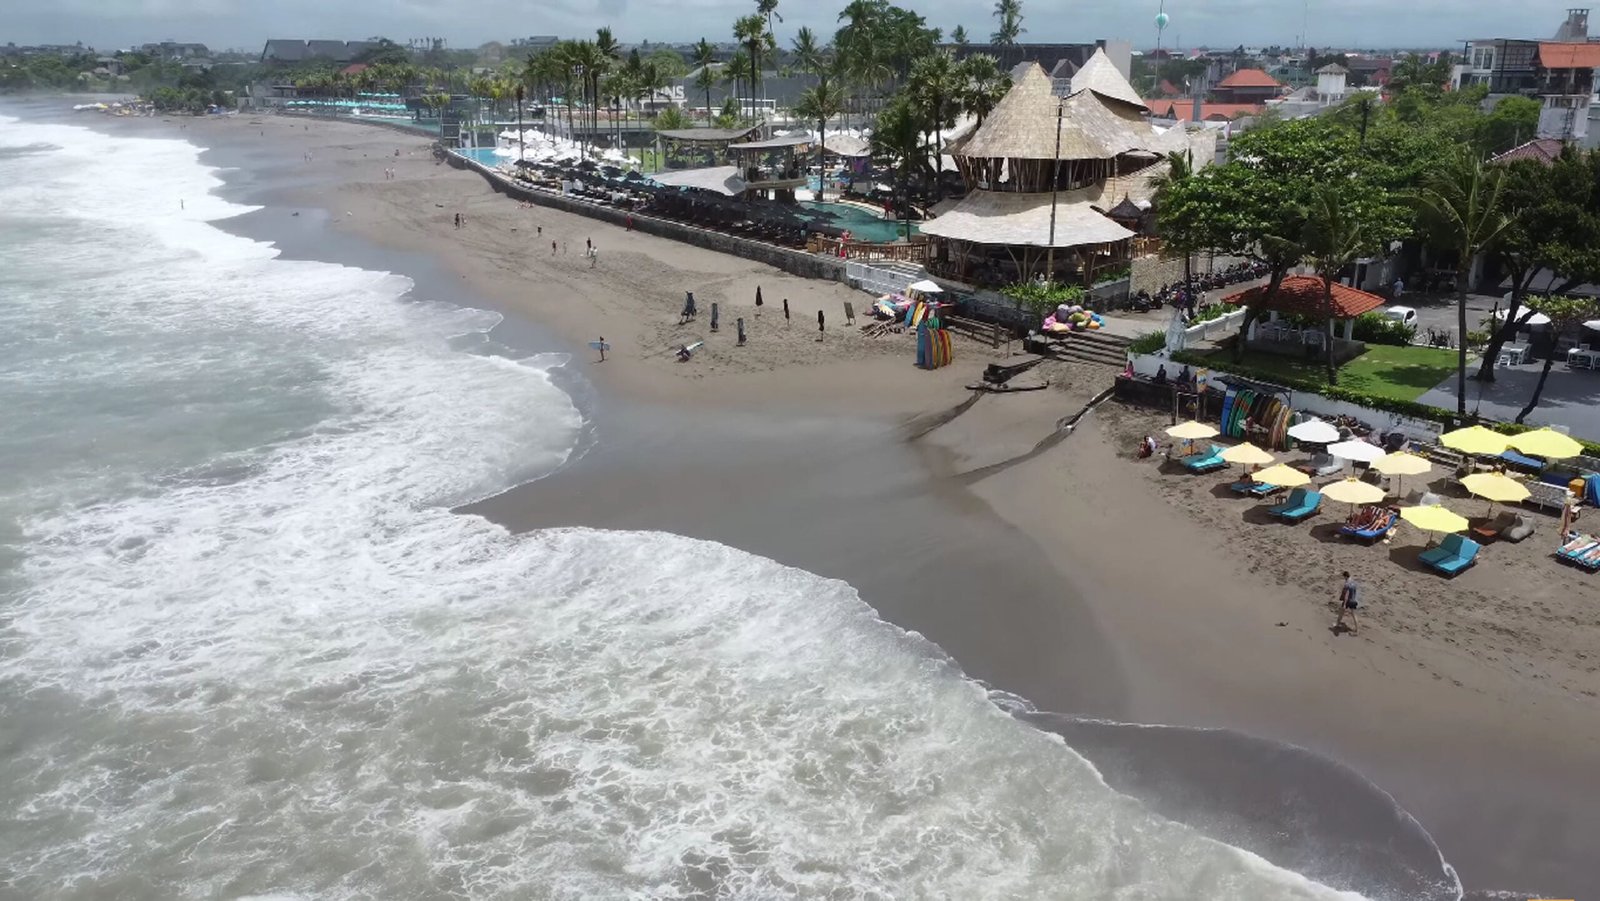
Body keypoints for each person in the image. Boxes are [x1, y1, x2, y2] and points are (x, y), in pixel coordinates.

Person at [1334, 571, 1360, 635]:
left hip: (1348, 601)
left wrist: (1345, 604)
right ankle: (1357, 630)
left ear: (1345, 576)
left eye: (1344, 577)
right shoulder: (1353, 582)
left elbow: (1346, 595)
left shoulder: (1347, 584)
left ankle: (1337, 624)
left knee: (1341, 612)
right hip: (1353, 600)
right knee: (1354, 615)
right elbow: (1355, 591)